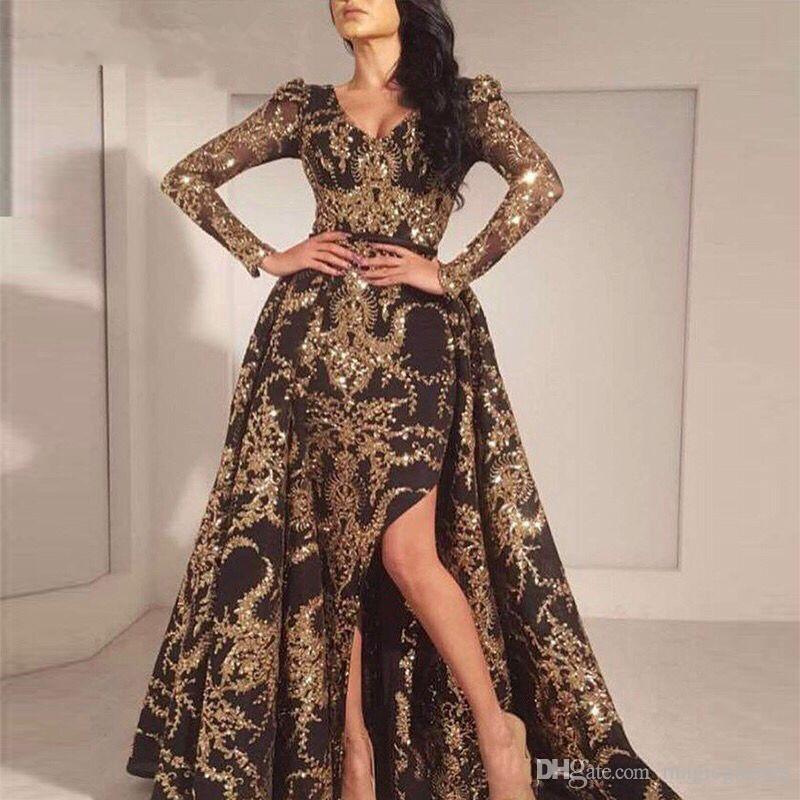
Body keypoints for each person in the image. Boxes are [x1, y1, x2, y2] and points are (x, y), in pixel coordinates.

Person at [127, 2, 683, 799]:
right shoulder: (304, 108)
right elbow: (188, 176)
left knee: (405, 552)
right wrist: (268, 255)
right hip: (310, 345)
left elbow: (539, 182)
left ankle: (498, 730)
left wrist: (449, 272)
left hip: (417, 343)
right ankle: (354, 754)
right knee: (330, 555)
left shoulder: (461, 102)